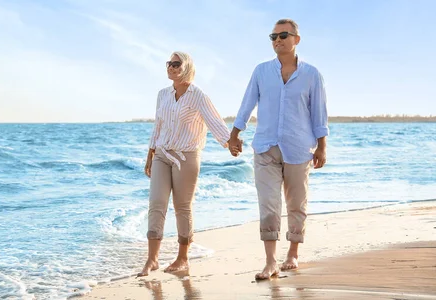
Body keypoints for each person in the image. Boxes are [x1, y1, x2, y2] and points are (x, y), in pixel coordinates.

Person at [228, 19, 329, 280]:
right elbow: (246, 104)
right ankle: (271, 261)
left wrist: (322, 147)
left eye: (283, 35)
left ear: (296, 39)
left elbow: (319, 114)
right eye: (273, 36)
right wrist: (235, 133)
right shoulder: (261, 71)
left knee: (296, 204)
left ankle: (293, 253)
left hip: (299, 148)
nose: (277, 40)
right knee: (269, 205)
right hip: (265, 147)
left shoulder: (311, 74)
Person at [139, 51, 231, 277]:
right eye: (168, 63)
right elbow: (158, 126)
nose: (170, 67)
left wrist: (231, 143)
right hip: (161, 154)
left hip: (187, 156)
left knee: (182, 206)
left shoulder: (198, 95)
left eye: (176, 63)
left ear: (187, 66)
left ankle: (182, 259)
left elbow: (214, 122)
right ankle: (152, 259)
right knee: (157, 203)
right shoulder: (162, 94)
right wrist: (150, 154)